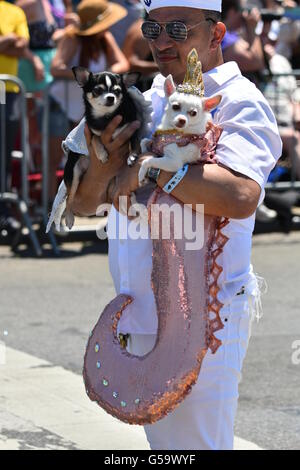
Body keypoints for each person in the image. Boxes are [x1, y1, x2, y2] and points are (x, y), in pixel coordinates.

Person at [66, 0, 282, 450]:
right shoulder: (141, 99)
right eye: (152, 28)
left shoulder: (240, 102)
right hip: (139, 309)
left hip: (205, 316)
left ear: (217, 31)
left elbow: (241, 197)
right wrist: (106, 168)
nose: (162, 41)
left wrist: (151, 166)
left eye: (178, 28)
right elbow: (81, 202)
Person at [48, 0, 129, 201]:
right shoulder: (71, 38)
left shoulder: (105, 38)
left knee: (93, 157)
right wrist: (89, 79)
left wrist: (102, 76)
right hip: (60, 105)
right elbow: (56, 67)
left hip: (88, 110)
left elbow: (122, 63)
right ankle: (50, 209)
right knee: (54, 159)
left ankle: (87, 203)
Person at [0, 0, 29, 240]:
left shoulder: (15, 11)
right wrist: (6, 41)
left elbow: (22, 46)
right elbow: (14, 44)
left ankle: (3, 210)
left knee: (4, 154)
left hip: (7, 90)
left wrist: (8, 43)